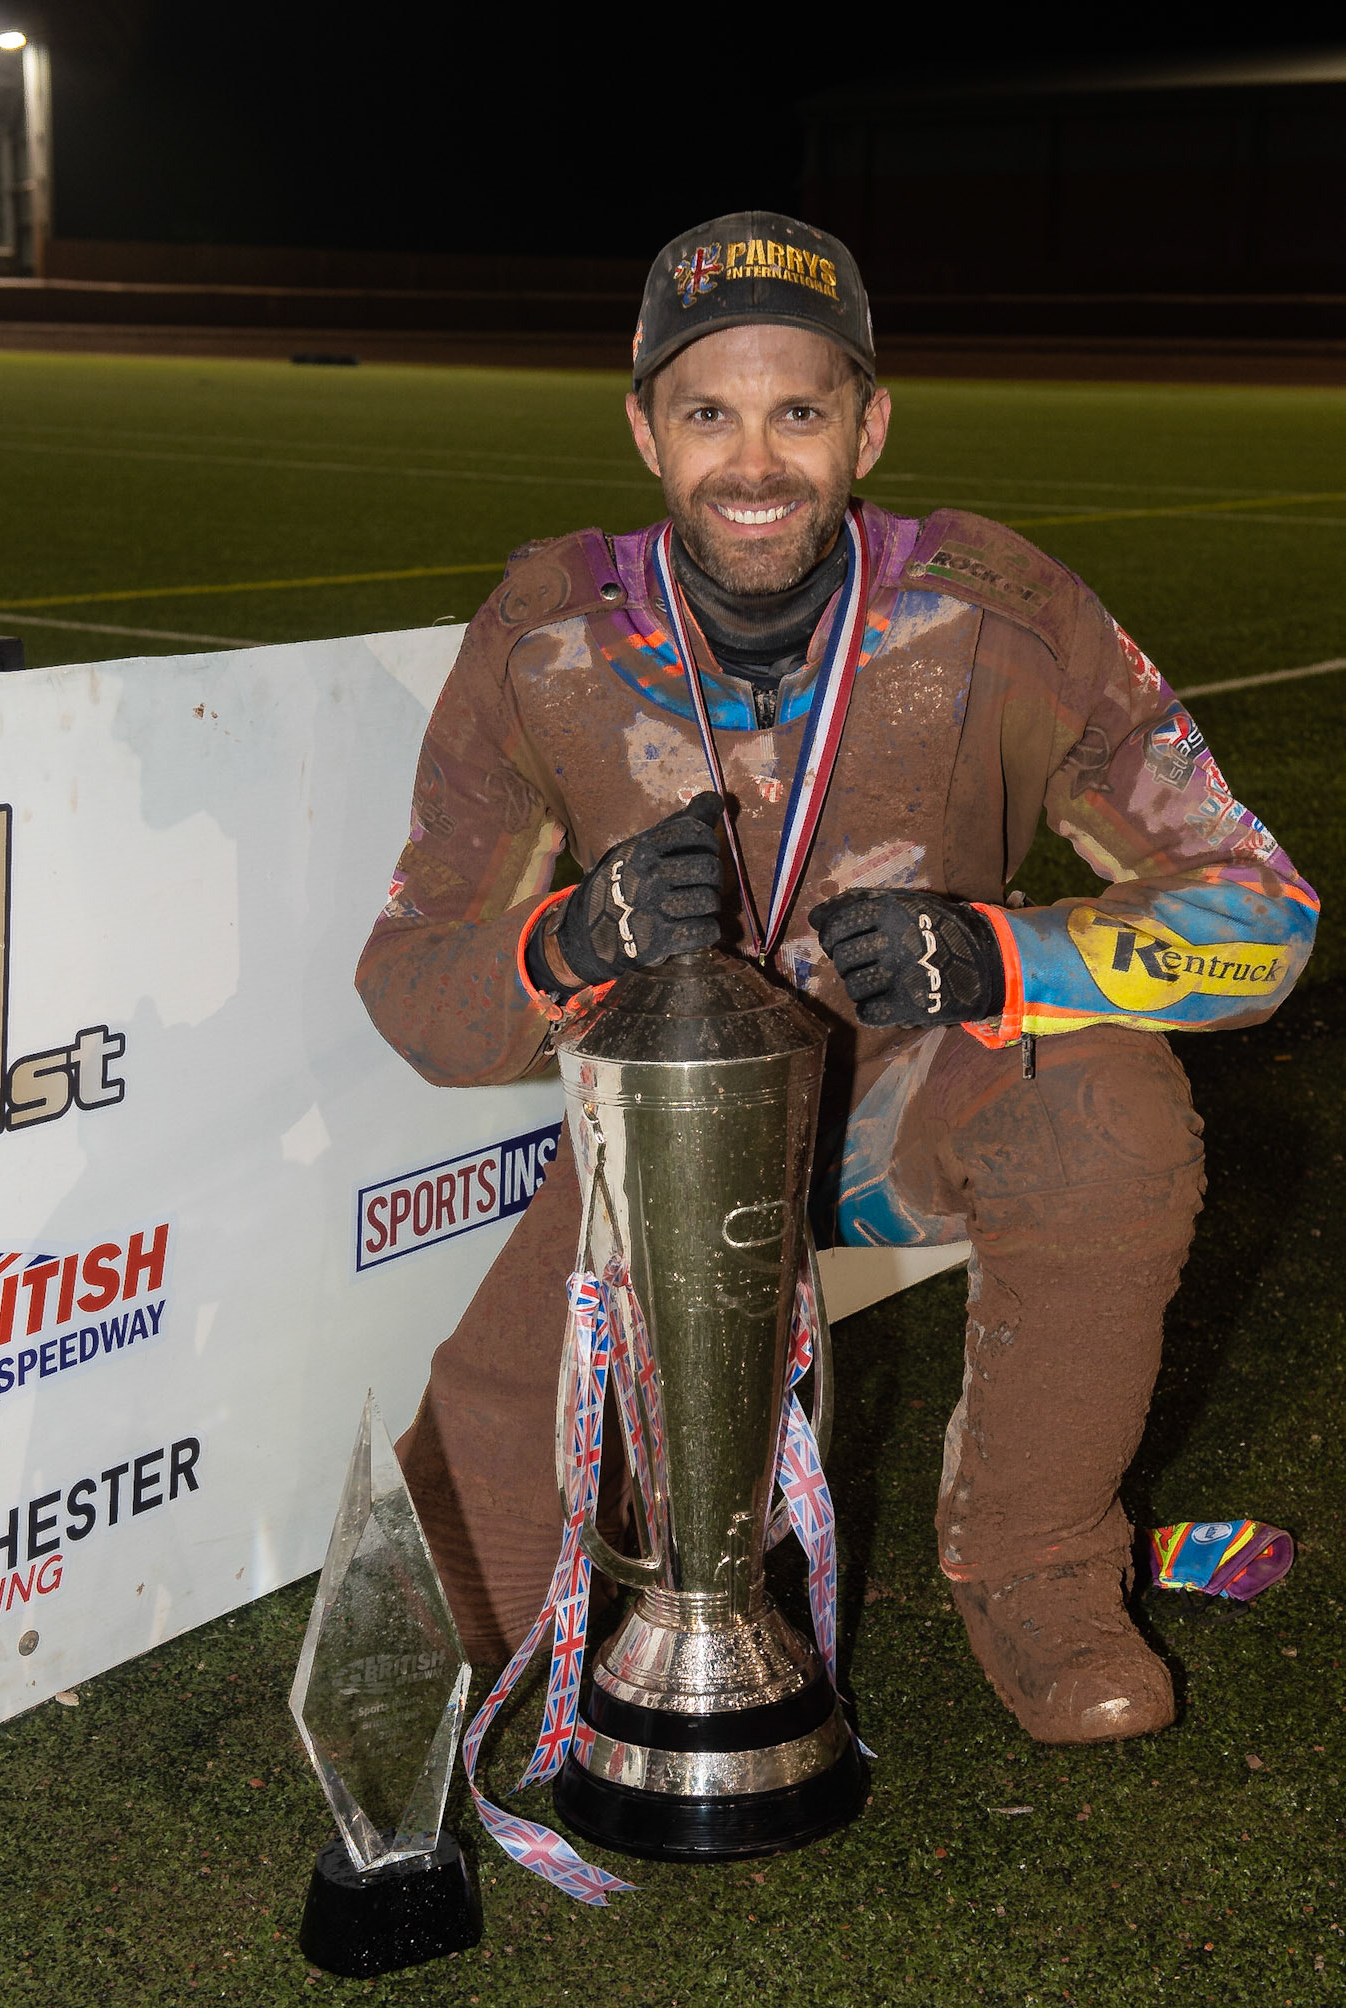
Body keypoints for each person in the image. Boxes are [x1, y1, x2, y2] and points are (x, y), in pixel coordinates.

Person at [356, 210, 1317, 1744]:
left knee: (1110, 1109)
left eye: (798, 412)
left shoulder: (1003, 615)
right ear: (643, 429)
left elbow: (1265, 915)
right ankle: (519, 1608)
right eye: (708, 413)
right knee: (460, 1567)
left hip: (914, 1103)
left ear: (868, 423)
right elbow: (414, 992)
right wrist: (574, 938)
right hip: (666, 1137)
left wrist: (1004, 952)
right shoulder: (546, 638)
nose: (754, 462)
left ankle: (1038, 1575)